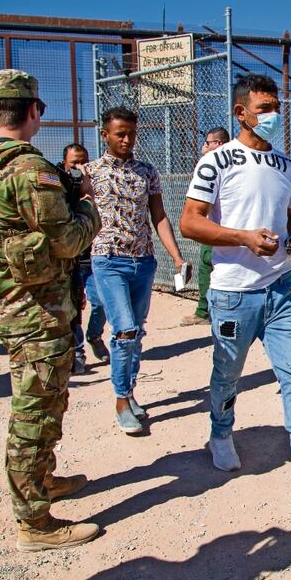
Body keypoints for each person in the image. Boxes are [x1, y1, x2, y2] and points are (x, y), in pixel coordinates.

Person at [179, 73, 291, 498]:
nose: (273, 115)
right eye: (263, 109)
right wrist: (243, 237)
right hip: (234, 292)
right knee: (227, 373)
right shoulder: (216, 162)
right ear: (241, 113)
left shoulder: (285, 165)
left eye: (276, 107)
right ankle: (220, 434)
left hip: (282, 288)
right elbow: (190, 222)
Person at [0, 69, 101, 551]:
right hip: (34, 308)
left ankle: (41, 481)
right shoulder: (27, 167)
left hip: (5, 297)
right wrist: (86, 207)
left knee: (44, 397)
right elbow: (66, 240)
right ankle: (34, 522)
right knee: (35, 409)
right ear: (34, 111)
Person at [83, 106, 187, 435]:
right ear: (105, 135)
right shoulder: (90, 172)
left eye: (131, 133)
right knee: (124, 328)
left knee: (137, 331)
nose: (127, 139)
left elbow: (158, 217)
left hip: (142, 262)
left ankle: (129, 391)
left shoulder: (147, 172)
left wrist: (176, 255)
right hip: (107, 259)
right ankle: (121, 398)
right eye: (120, 134)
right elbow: (79, 218)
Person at [62, 143, 109, 373]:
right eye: (74, 164)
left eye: (84, 163)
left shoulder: (96, 184)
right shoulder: (59, 187)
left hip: (94, 257)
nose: (80, 168)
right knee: (73, 308)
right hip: (70, 259)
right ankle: (77, 351)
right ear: (64, 164)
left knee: (101, 302)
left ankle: (94, 336)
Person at [181, 126, 230, 327]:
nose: (204, 146)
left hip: (215, 226)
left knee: (206, 266)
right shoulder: (235, 159)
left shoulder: (213, 161)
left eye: (208, 143)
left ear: (218, 144)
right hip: (227, 227)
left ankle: (204, 312)